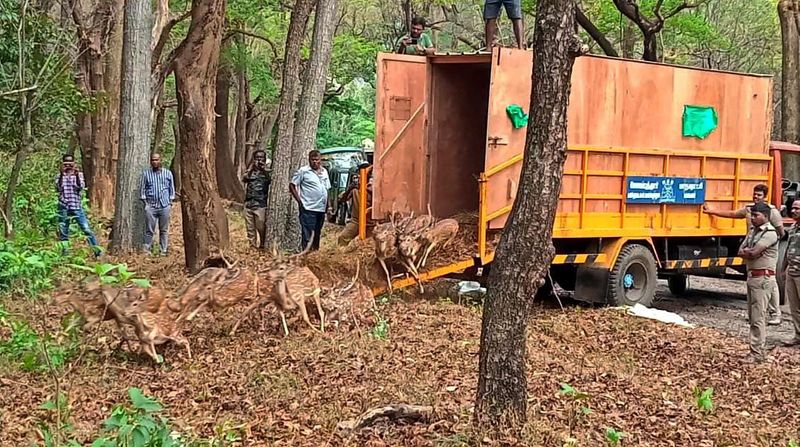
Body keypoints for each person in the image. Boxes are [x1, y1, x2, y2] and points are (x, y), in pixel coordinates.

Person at [704, 184, 784, 325]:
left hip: (767, 250)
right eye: (754, 194)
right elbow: (733, 214)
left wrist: (769, 243)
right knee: (753, 282)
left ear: (764, 196)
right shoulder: (748, 209)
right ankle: (757, 314)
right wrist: (713, 212)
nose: (755, 197)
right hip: (751, 246)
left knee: (769, 281)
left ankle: (775, 313)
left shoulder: (772, 211)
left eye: (759, 195)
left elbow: (780, 231)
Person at [738, 202, 779, 362]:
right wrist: (748, 252)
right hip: (752, 276)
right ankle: (755, 350)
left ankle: (756, 353)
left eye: (756, 215)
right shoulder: (753, 231)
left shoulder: (769, 233)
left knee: (758, 316)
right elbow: (740, 251)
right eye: (752, 215)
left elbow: (753, 252)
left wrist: (749, 252)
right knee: (752, 315)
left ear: (766, 217)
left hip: (763, 278)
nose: (753, 218)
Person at [55, 154, 102, 257]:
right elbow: (58, 188)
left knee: (86, 229)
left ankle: (97, 252)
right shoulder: (59, 176)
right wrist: (62, 174)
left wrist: (75, 174)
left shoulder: (79, 175)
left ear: (74, 164)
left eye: (70, 164)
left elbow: (80, 187)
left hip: (76, 206)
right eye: (66, 164)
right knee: (63, 232)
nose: (68, 166)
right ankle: (64, 255)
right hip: (63, 207)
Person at [290, 150, 331, 251]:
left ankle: (315, 254)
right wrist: (300, 201)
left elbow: (327, 189)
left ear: (320, 160)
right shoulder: (303, 171)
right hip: (308, 208)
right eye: (312, 160)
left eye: (317, 160)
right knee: (308, 234)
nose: (315, 162)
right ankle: (306, 255)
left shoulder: (324, 172)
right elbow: (292, 185)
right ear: (309, 160)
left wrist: (328, 206)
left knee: (317, 233)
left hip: (321, 209)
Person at [139, 153, 175, 256]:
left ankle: (163, 251)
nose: (154, 162)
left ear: (160, 160)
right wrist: (146, 203)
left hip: (164, 206)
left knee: (163, 230)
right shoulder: (146, 174)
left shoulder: (168, 173)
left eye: (156, 160)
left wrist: (170, 202)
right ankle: (147, 250)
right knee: (149, 230)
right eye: (152, 160)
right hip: (151, 206)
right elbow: (142, 190)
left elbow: (171, 189)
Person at [337, 163, 373, 247]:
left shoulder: (373, 187)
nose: (359, 177)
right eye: (358, 174)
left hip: (370, 223)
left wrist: (365, 188)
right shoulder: (355, 188)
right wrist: (350, 188)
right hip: (356, 221)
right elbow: (342, 200)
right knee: (343, 238)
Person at [242, 150, 271, 249]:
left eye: (261, 158)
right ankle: (252, 247)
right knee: (250, 228)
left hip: (260, 205)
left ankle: (262, 244)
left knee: (261, 226)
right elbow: (244, 179)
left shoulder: (268, 171)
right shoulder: (250, 171)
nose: (259, 160)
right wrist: (251, 169)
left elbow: (270, 180)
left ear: (265, 159)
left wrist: (264, 170)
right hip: (249, 203)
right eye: (257, 158)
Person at [781, 199, 800, 347]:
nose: (793, 211)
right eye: (793, 208)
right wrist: (782, 269)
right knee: (794, 307)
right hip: (792, 272)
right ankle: (798, 335)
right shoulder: (793, 227)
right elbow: (788, 249)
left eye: (797, 209)